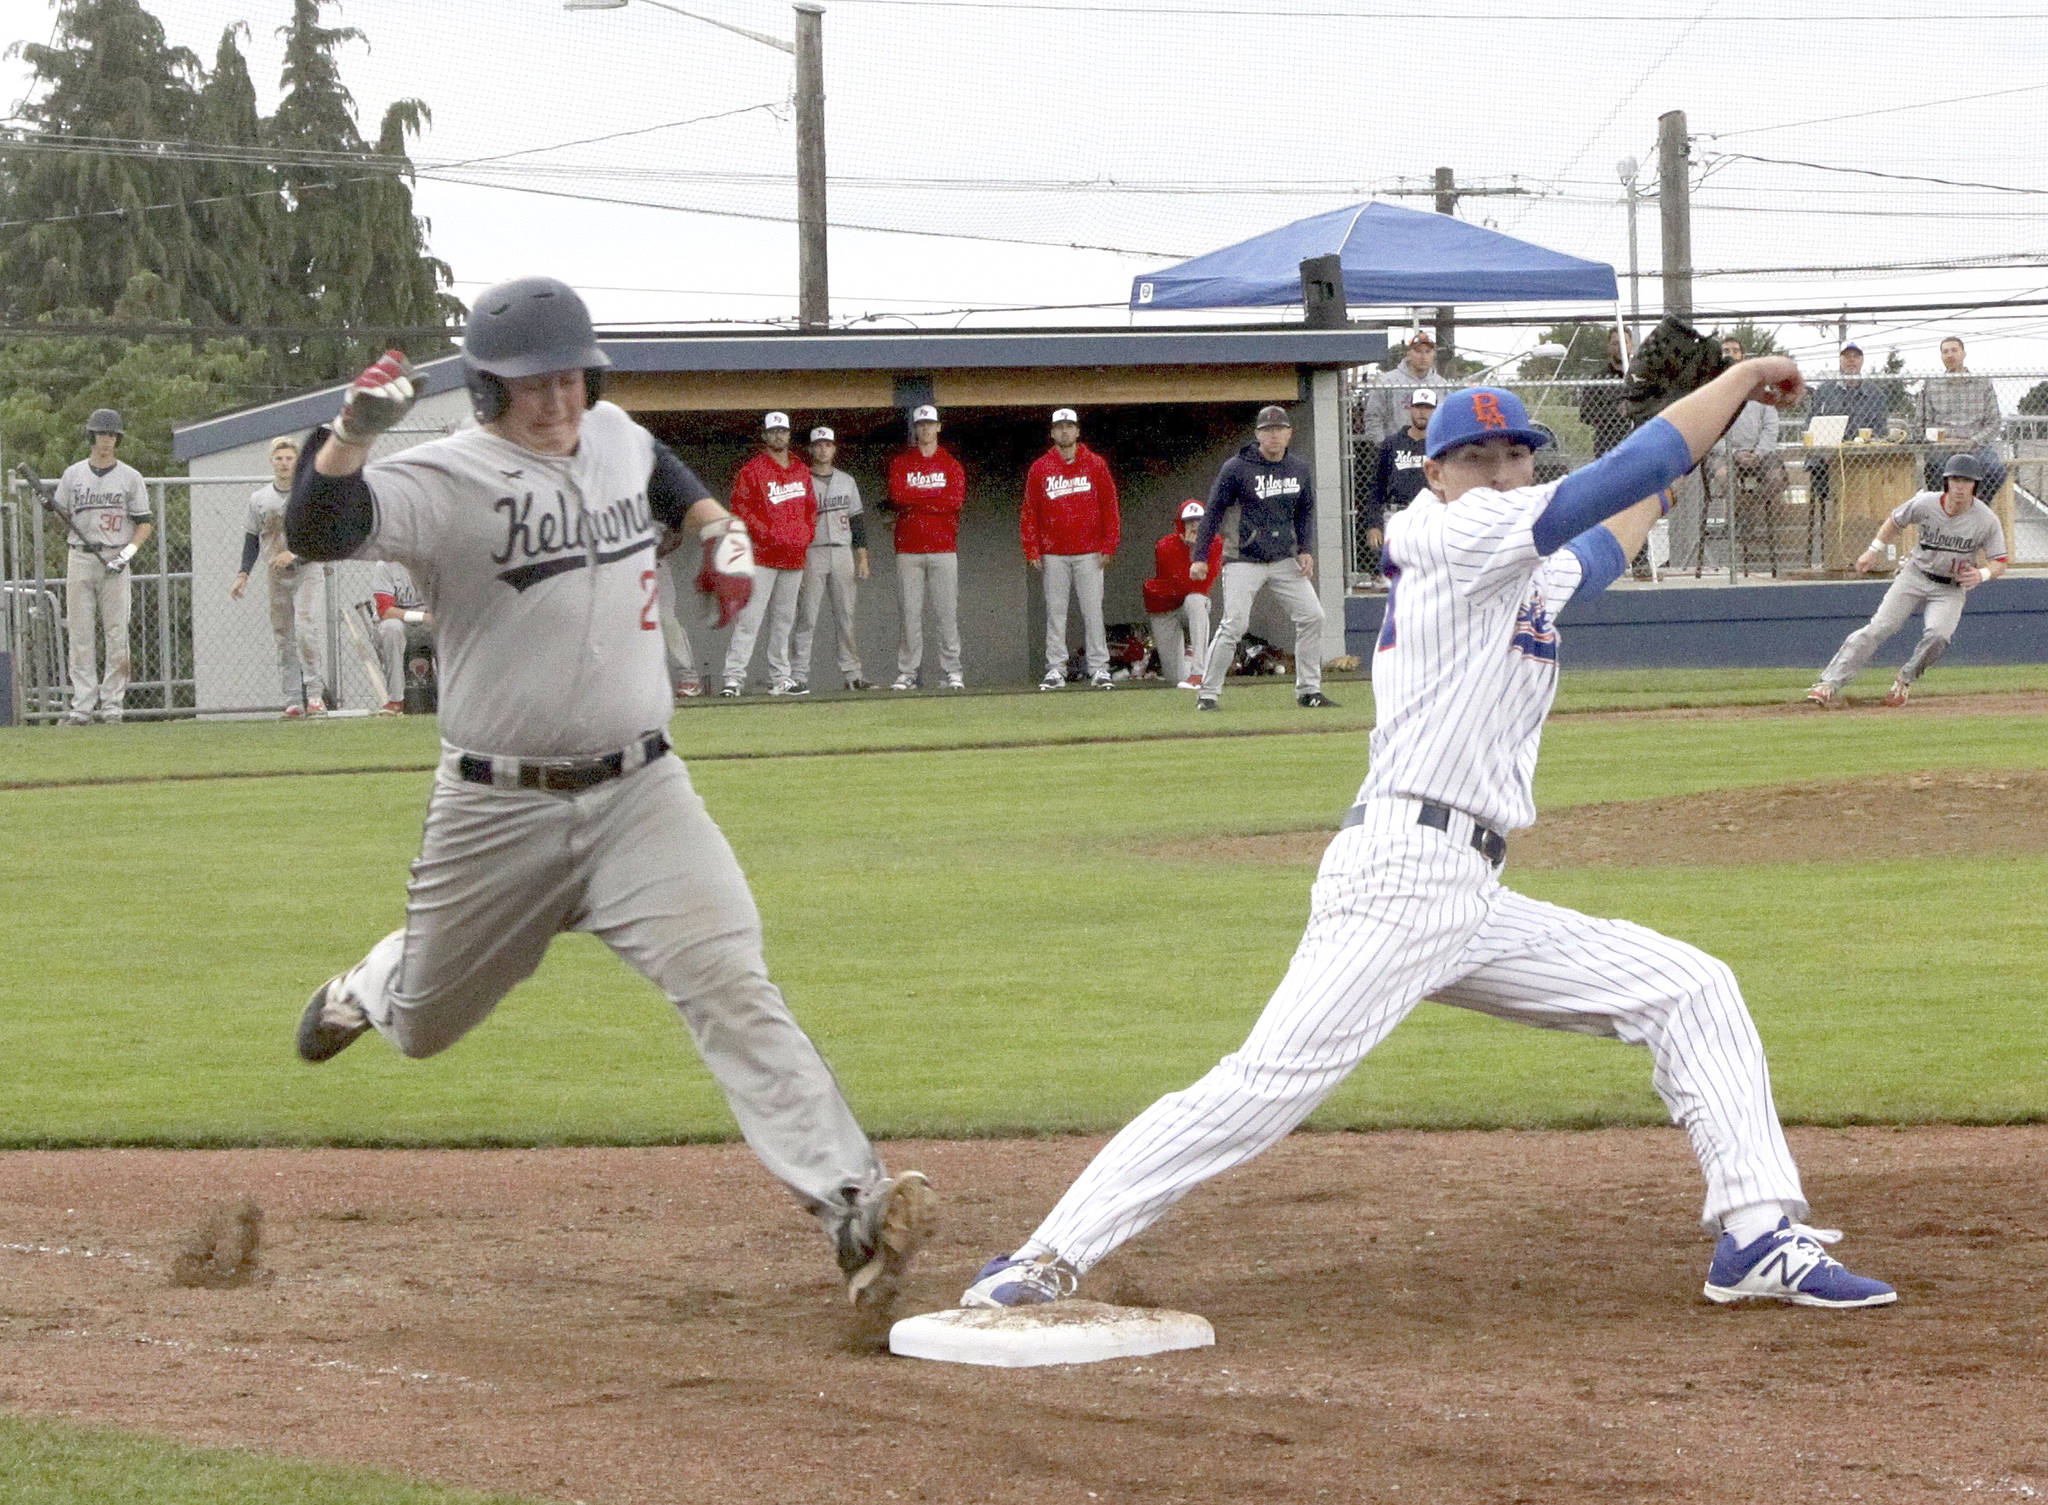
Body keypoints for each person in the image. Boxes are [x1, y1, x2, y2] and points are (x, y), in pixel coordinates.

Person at [962, 370, 1898, 1316]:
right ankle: (1044, 1254)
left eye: (1514, 454)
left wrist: (1685, 459)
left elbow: (1606, 542)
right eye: (1475, 458)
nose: (1498, 471)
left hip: (1464, 888)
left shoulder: (1512, 560)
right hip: (1406, 876)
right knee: (1262, 1086)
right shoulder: (1458, 531)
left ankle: (1757, 1234)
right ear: (1437, 474)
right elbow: (1625, 472)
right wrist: (1732, 384)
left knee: (1691, 988)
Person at [284, 276, 933, 1320]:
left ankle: (851, 1204)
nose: (556, 400)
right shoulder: (446, 478)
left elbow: (671, 479)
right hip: (498, 811)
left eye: (571, 377)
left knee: (728, 977)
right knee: (427, 1025)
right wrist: (350, 434)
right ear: (488, 390)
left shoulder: (617, 435)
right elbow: (322, 527)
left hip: (644, 795)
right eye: (531, 383)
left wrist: (721, 534)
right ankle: (378, 977)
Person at [1806, 452, 2009, 709]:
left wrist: (1982, 574)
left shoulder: (1986, 519)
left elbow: (2000, 561)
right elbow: (1895, 520)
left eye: (1966, 481)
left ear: (1975, 485)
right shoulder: (1926, 503)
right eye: (1955, 479)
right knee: (1878, 627)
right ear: (1946, 481)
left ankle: (1904, 680)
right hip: (1915, 574)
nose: (1959, 486)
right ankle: (1828, 684)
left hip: (1951, 587)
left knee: (1939, 636)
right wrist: (1873, 550)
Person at [1189, 405, 1333, 711]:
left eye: (1280, 429)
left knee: (1312, 616)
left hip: (1283, 558)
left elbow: (1305, 512)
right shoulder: (1237, 467)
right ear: (1257, 435)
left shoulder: (1298, 468)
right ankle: (1208, 693)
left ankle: (1309, 691)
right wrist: (1200, 556)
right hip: (1243, 558)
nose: (1274, 435)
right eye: (1268, 430)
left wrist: (1306, 549)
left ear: (1289, 433)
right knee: (1234, 625)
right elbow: (1213, 511)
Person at [53, 408, 154, 724]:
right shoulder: (73, 475)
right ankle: (82, 705)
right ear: (91, 436)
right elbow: (62, 516)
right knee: (80, 633)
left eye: (111, 435)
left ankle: (112, 705)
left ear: (117, 438)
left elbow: (144, 523)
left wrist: (128, 553)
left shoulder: (130, 477)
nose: (106, 441)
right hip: (81, 555)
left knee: (116, 633)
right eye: (100, 434)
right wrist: (54, 510)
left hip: (115, 556)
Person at [1023, 407, 1122, 690]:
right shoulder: (1040, 468)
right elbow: (1029, 512)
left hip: (1089, 551)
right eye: (1059, 427)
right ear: (1052, 433)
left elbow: (1110, 507)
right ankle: (1056, 669)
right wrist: (1031, 549)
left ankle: (1099, 668)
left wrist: (1109, 543)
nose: (1064, 431)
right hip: (1054, 552)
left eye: (1069, 426)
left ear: (1078, 431)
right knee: (1055, 613)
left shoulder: (1096, 464)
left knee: (1093, 612)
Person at [233, 434, 330, 718]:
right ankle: (292, 700)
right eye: (279, 458)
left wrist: (296, 554)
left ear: (297, 461)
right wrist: (243, 573)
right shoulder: (259, 499)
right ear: (272, 461)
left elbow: (321, 537)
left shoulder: (308, 493)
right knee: (283, 636)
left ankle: (314, 695)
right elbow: (252, 538)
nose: (284, 463)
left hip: (306, 569)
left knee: (305, 628)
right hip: (275, 573)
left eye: (289, 458)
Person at [722, 412, 816, 697]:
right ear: (765, 436)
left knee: (783, 622)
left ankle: (781, 678)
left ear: (789, 435)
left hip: (794, 558)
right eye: (773, 431)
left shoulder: (801, 469)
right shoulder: (752, 470)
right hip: (763, 556)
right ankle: (733, 679)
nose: (778, 435)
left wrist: (803, 536)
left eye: (783, 431)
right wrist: (769, 534)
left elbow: (811, 510)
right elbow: (740, 509)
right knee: (749, 619)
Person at [886, 404, 967, 691]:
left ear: (938, 427)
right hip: (908, 548)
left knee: (946, 614)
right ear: (915, 429)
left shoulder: (951, 464)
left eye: (930, 424)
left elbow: (954, 501)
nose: (925, 429)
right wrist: (933, 498)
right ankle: (907, 672)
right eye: (920, 425)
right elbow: (898, 495)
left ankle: (952, 671)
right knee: (909, 614)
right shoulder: (902, 463)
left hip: (944, 548)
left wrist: (918, 499)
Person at [790, 425, 869, 692]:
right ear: (811, 449)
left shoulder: (847, 480)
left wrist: (862, 557)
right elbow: (796, 522)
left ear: (834, 448)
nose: (823, 448)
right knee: (807, 617)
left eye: (828, 444)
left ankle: (852, 675)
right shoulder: (801, 480)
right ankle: (798, 675)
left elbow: (857, 521)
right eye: (818, 444)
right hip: (813, 552)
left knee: (846, 615)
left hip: (842, 550)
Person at [1805, 342, 1894, 523]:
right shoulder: (1824, 391)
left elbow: (1881, 431)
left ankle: (1867, 522)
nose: (1851, 361)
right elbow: (1810, 424)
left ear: (1862, 361)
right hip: (1828, 458)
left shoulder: (1876, 394)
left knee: (1881, 474)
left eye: (1855, 356)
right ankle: (1834, 528)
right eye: (1847, 357)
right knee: (1822, 473)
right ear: (1840, 360)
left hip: (1866, 459)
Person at [1143, 500, 1222, 689]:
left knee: (1196, 600)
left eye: (1198, 520)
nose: (1194, 525)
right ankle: (1188, 661)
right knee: (1174, 677)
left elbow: (1201, 585)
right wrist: (1190, 551)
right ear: (1180, 524)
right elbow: (1178, 581)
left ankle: (1198, 673)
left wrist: (1197, 550)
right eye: (1189, 521)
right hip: (1166, 607)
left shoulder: (1216, 543)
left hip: (1189, 602)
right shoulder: (1164, 546)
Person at [1916, 336, 2005, 499]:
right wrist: (1939, 440)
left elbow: (1994, 422)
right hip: (1943, 448)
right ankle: (1945, 510)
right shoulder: (1931, 384)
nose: (1950, 355)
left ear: (1964, 354)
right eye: (1945, 352)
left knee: (1995, 470)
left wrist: (1973, 441)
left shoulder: (1982, 383)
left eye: (1954, 350)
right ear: (1941, 356)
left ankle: (1977, 506)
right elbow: (1923, 423)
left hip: (1976, 446)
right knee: (1934, 468)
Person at [1362, 389, 1436, 578]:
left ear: (1435, 411)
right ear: (1410, 409)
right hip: (1397, 514)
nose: (1422, 413)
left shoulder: (1438, 446)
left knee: (1429, 573)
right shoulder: (1392, 443)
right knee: (1395, 575)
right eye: (1418, 407)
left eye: (1428, 408)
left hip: (1430, 516)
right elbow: (1376, 486)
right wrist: (1374, 524)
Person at [1359, 331, 1452, 441]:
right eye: (1418, 351)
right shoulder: (1387, 382)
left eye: (1428, 351)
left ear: (1434, 354)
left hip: (1430, 449)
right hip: (1397, 450)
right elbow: (1373, 417)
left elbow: (1448, 420)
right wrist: (1384, 446)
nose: (1423, 356)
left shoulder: (1442, 385)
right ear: (1409, 354)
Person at [370, 559, 430, 714]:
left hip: (429, 625)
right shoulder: (385, 566)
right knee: (392, 627)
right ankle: (396, 701)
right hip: (397, 626)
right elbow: (385, 611)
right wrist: (422, 616)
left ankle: (452, 698)